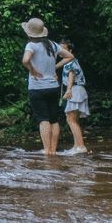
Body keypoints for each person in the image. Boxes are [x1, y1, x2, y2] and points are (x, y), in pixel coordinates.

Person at [21, 18, 75, 155]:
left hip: (37, 88)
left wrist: (32, 70)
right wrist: (54, 68)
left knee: (43, 119)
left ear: (29, 33)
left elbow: (26, 60)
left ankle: (47, 150)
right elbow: (69, 56)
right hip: (53, 87)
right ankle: (53, 150)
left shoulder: (31, 45)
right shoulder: (52, 44)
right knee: (54, 119)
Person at [60, 40, 90, 153]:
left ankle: (81, 146)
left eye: (64, 49)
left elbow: (71, 74)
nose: (61, 51)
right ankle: (76, 146)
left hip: (75, 90)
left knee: (71, 119)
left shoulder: (70, 62)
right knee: (74, 120)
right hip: (78, 90)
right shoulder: (71, 61)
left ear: (70, 51)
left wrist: (68, 90)